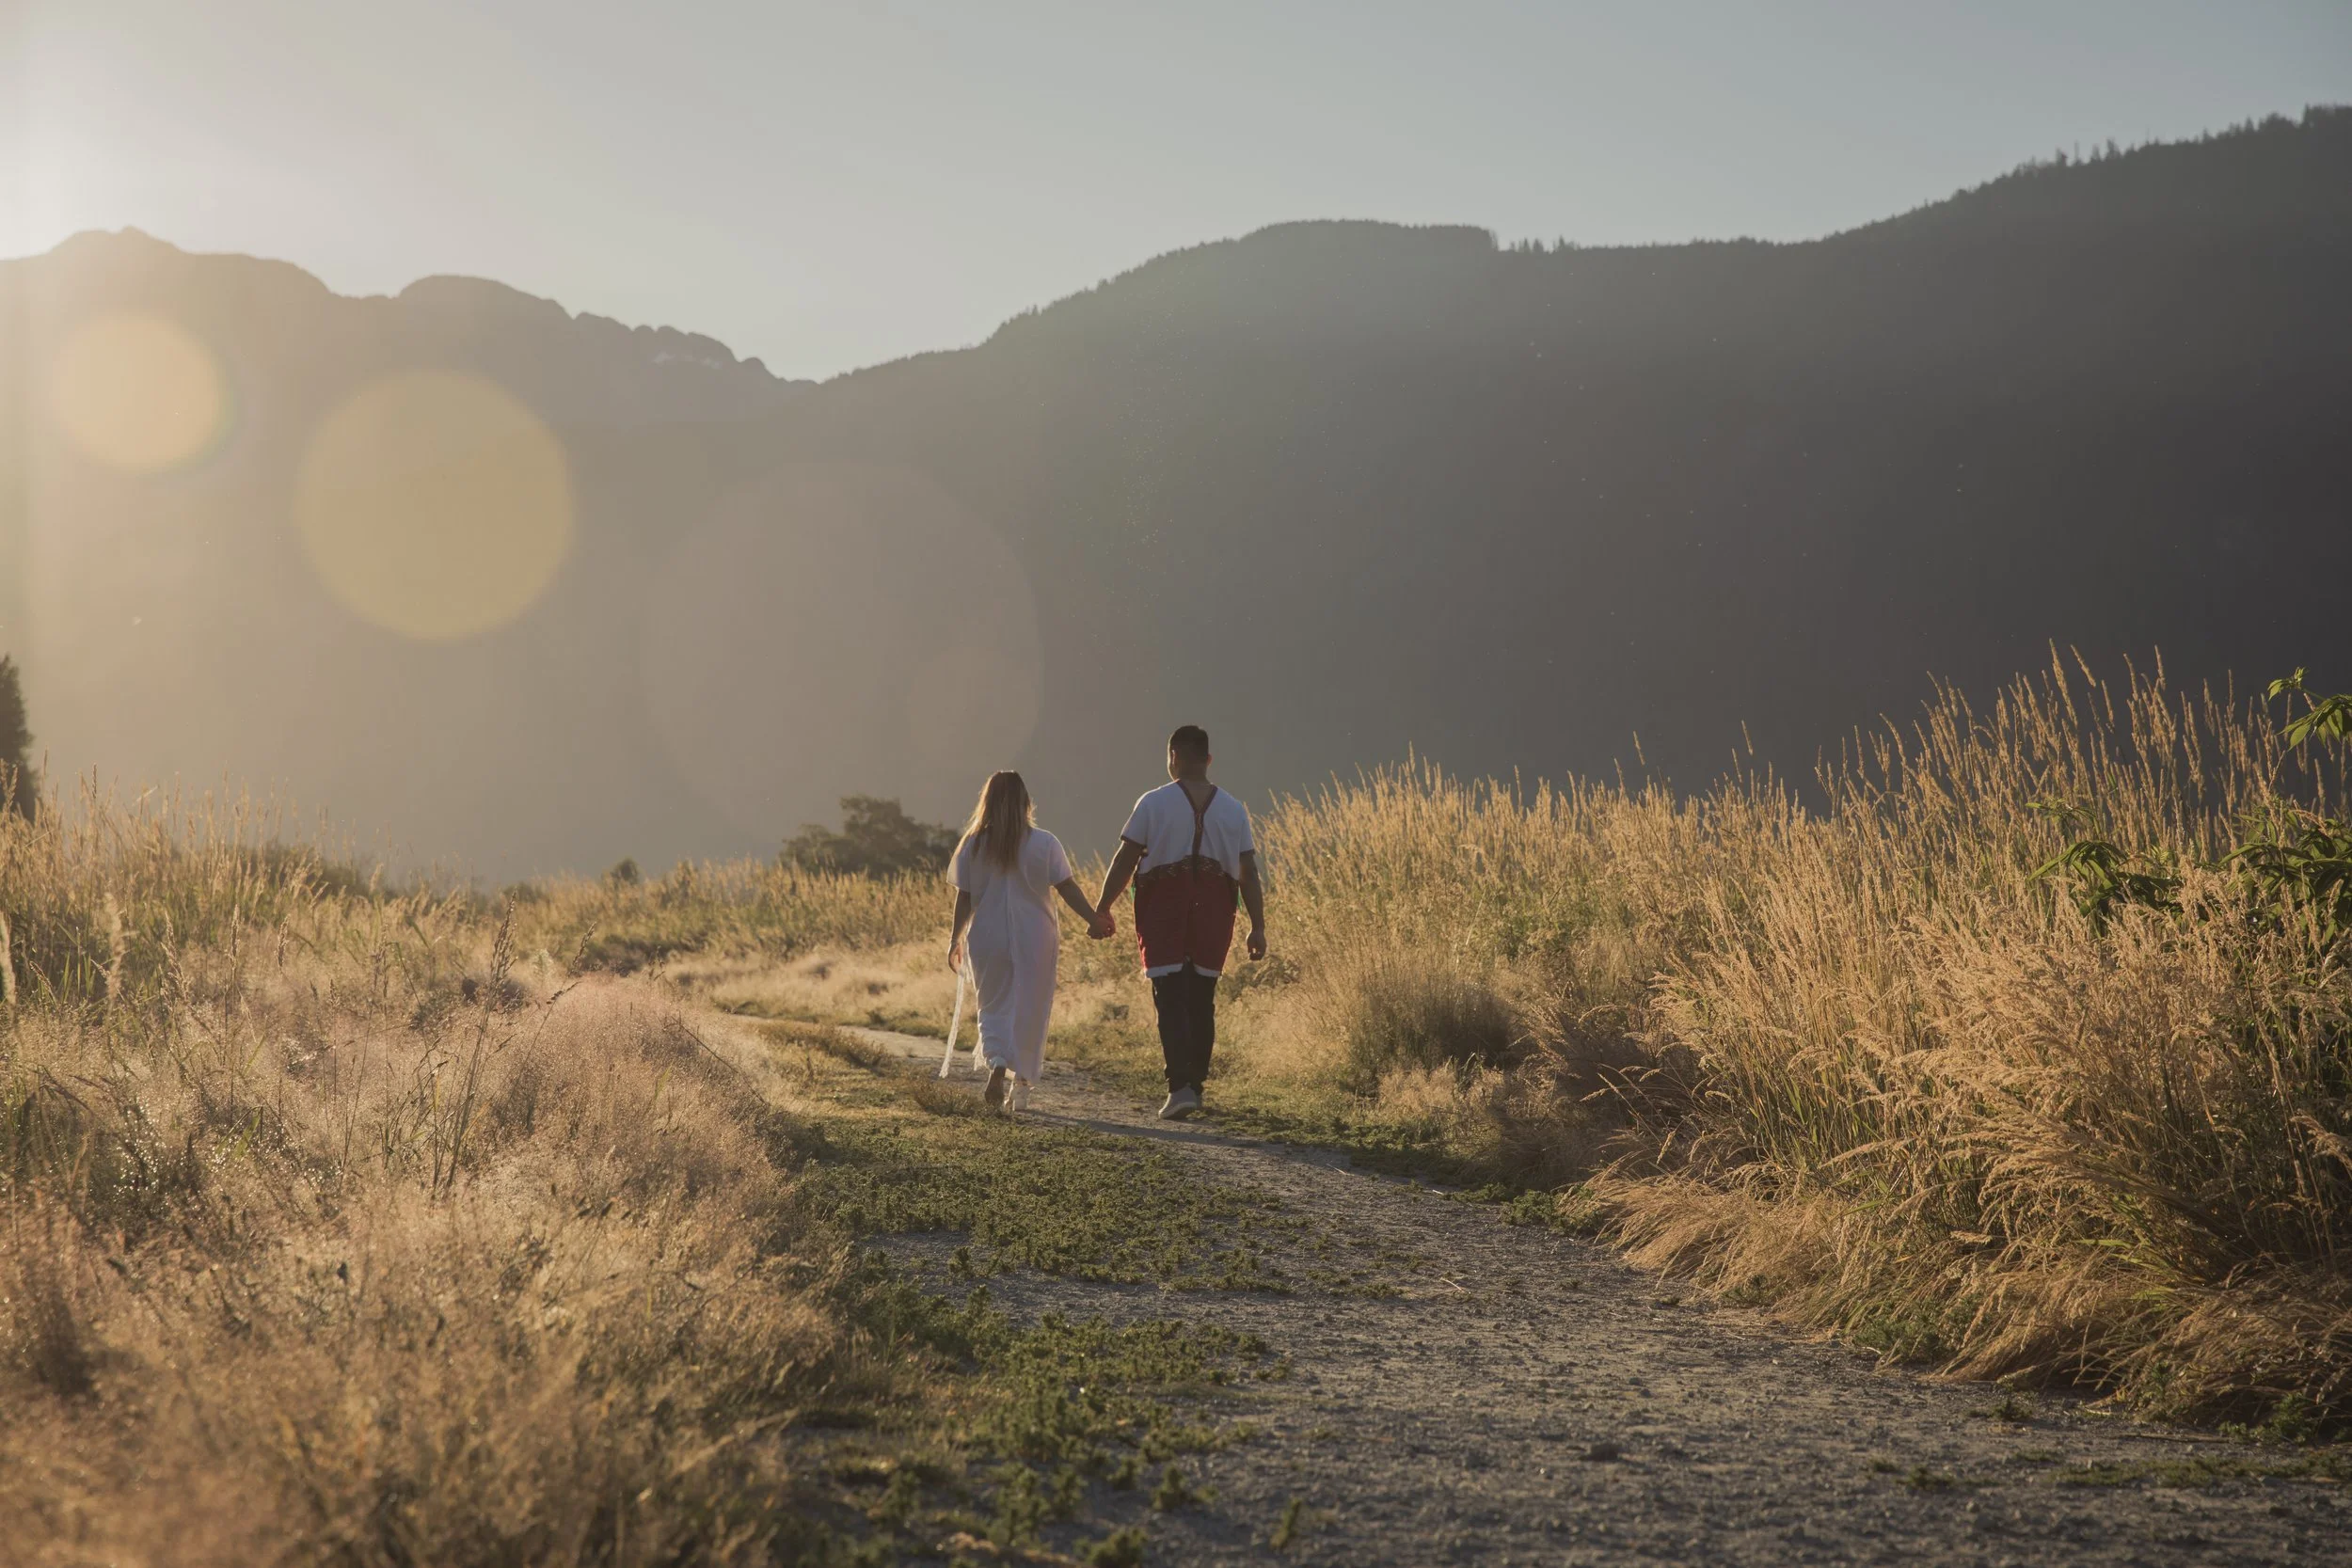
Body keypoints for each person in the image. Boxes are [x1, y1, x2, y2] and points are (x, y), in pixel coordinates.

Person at [1093, 725, 1267, 1119]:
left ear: (1173, 757)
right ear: (1208, 760)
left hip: (1163, 913)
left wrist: (1103, 908)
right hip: (1214, 915)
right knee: (1202, 1000)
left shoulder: (1153, 803)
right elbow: (1248, 873)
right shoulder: (1233, 809)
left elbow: (1125, 859)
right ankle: (1195, 1086)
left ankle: (1180, 1087)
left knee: (1170, 999)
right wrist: (1257, 926)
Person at [946, 770, 1112, 1112]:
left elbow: (965, 896)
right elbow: (1066, 887)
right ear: (1026, 803)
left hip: (988, 935)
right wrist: (1093, 919)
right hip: (1035, 935)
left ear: (987, 802)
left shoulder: (973, 844)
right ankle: (1021, 1086)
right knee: (1031, 1009)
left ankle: (997, 1063)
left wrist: (954, 939)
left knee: (992, 1006)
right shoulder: (1045, 843)